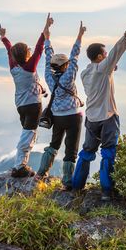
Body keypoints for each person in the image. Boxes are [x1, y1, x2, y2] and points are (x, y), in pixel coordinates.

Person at [71, 15, 126, 200]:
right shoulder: (103, 68)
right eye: (104, 54)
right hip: (108, 116)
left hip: (91, 119)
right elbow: (116, 51)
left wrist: (111, 68)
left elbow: (106, 67)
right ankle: (106, 191)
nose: (106, 56)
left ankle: (77, 186)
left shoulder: (86, 73)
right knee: (108, 153)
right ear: (100, 57)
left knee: (87, 152)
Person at [0, 14, 52, 177]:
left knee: (28, 132)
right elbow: (38, 48)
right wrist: (45, 30)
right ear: (27, 54)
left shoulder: (13, 67)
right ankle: (20, 166)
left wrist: (3, 37)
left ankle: (21, 164)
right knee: (29, 134)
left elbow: (9, 50)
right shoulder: (29, 67)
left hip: (21, 106)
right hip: (33, 106)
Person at [36, 18, 86, 189]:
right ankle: (66, 182)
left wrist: (47, 36)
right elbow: (75, 55)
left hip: (57, 116)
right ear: (66, 66)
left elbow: (47, 55)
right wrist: (80, 35)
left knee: (54, 144)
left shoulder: (48, 76)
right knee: (71, 149)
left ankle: (41, 173)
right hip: (73, 116)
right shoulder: (68, 75)